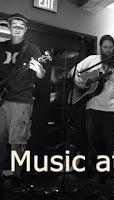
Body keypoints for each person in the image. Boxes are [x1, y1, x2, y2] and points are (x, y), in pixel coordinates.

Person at [72, 35, 114, 183]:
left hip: (111, 108)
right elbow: (74, 70)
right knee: (94, 142)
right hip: (92, 107)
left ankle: (113, 174)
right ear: (100, 48)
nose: (108, 50)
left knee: (111, 143)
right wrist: (77, 79)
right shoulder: (91, 59)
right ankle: (97, 173)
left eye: (110, 47)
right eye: (105, 47)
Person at [0, 13, 46, 188]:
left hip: (22, 100)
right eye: (14, 25)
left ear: (26, 30)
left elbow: (41, 75)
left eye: (21, 26)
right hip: (1, 101)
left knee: (18, 141)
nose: (17, 28)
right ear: (9, 27)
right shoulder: (1, 47)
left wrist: (39, 69)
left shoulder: (32, 49)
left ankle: (16, 175)